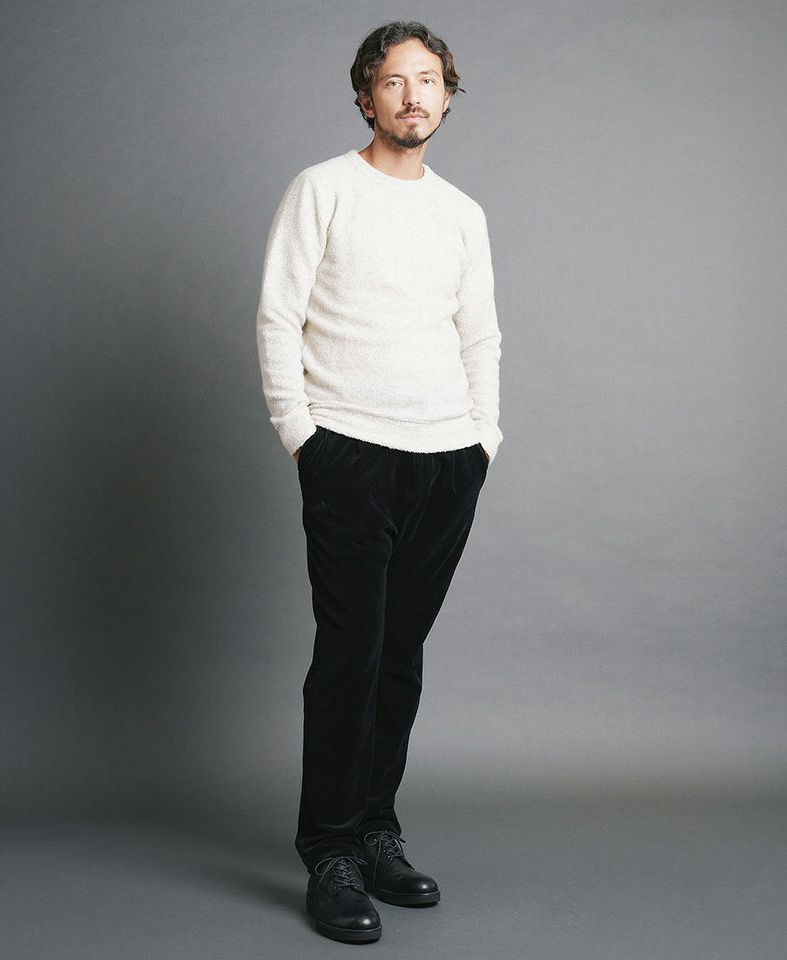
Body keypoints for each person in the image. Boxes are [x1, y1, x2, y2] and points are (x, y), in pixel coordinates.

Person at [255, 19, 503, 943]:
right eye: (395, 81)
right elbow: (278, 316)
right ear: (367, 97)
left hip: (447, 460)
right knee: (350, 654)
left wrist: (482, 440)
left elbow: (480, 334)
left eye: (428, 80)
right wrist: (303, 437)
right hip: (349, 452)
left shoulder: (463, 213)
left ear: (447, 95)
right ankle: (330, 851)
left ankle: (376, 829)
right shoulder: (322, 189)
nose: (413, 95)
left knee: (400, 656)